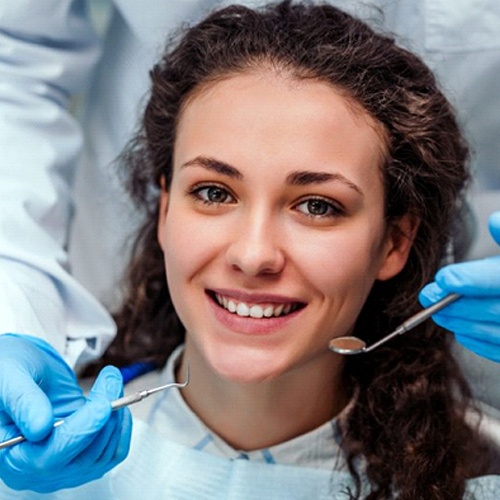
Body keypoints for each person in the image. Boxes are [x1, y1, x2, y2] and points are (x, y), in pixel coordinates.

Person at [0, 0, 499, 494]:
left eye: (318, 206)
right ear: (166, 208)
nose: (253, 254)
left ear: (394, 241)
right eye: (214, 193)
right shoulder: (35, 463)